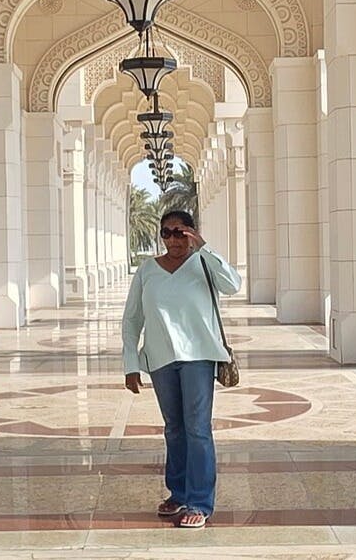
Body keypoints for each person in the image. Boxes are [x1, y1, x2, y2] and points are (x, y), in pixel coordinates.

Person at [121, 209, 243, 528]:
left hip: (198, 358)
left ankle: (199, 502)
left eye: (180, 232)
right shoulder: (148, 270)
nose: (174, 239)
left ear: (192, 232)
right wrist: (130, 364)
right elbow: (132, 319)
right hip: (161, 360)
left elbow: (232, 285)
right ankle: (178, 492)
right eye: (167, 233)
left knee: (198, 428)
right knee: (174, 427)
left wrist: (204, 247)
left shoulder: (203, 263)